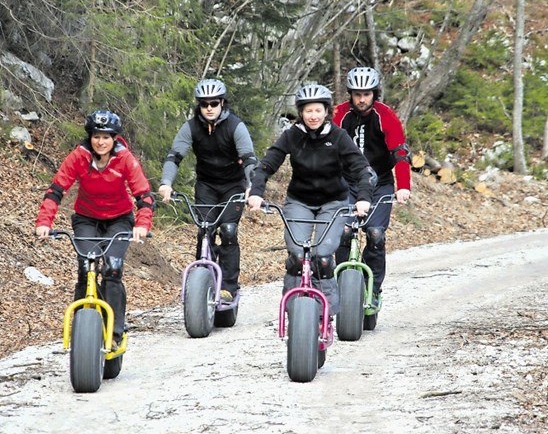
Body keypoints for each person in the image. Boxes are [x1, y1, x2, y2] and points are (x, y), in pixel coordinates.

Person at [247, 84, 376, 316]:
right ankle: (294, 309)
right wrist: (256, 192)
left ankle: (327, 311)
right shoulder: (292, 135)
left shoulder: (338, 136)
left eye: (318, 110)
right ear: (301, 113)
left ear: (326, 111)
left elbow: (361, 168)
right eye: (308, 111)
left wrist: (364, 198)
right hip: (300, 202)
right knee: (297, 255)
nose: (313, 116)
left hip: (333, 203)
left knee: (323, 257)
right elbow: (266, 164)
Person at [35, 110, 155, 345]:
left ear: (115, 139)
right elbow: (56, 190)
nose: (101, 142)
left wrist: (141, 224)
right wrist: (44, 223)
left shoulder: (125, 159)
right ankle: (82, 332)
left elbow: (144, 196)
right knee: (85, 267)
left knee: (112, 269)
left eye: (106, 137)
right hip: (86, 219)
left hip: (119, 220)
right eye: (96, 136)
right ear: (90, 137)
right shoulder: (78, 157)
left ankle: (114, 334)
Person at [158, 79, 257, 302]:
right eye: (204, 104)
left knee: (229, 231)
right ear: (199, 106)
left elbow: (249, 158)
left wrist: (252, 187)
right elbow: (174, 156)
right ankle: (203, 282)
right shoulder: (191, 127)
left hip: (233, 186)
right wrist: (166, 182)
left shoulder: (235, 126)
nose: (209, 108)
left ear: (222, 103)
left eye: (214, 103)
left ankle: (229, 288)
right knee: (205, 231)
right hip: (207, 186)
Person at [333, 67, 412, 307]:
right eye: (356, 94)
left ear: (374, 93)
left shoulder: (385, 115)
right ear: (350, 94)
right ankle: (342, 286)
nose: (361, 99)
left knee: (375, 234)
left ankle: (373, 288)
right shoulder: (339, 114)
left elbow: (400, 152)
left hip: (380, 184)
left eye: (366, 94)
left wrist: (404, 186)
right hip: (347, 183)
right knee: (344, 232)